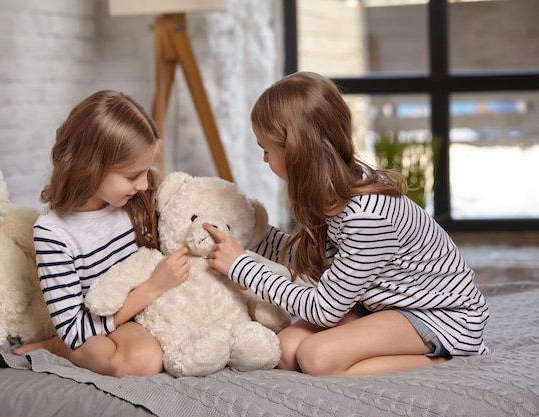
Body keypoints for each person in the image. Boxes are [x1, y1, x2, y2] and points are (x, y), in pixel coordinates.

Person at [203, 71, 489, 377]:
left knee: (317, 358)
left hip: (438, 315)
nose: (264, 160)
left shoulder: (367, 217)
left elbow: (323, 309)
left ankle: (445, 358)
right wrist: (247, 232)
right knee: (284, 351)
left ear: (296, 153)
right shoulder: (334, 191)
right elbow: (309, 257)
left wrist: (242, 267)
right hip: (382, 303)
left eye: (266, 150)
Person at [13, 90, 190, 378]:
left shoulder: (139, 198)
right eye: (132, 176)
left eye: (146, 171)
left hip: (153, 314)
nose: (144, 185)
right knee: (142, 362)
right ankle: (58, 349)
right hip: (101, 325)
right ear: (89, 168)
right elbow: (74, 329)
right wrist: (153, 288)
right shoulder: (53, 233)